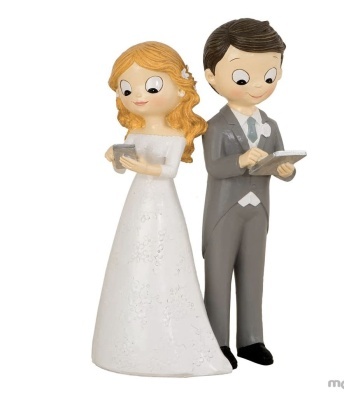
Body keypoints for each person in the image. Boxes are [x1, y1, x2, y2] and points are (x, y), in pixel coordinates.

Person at [92, 41, 232, 377]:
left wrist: (140, 166)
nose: (138, 95)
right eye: (127, 89)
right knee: (132, 257)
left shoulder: (174, 135)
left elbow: (168, 171)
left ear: (180, 89)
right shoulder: (134, 130)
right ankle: (125, 341)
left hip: (161, 201)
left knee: (166, 256)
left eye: (152, 86)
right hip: (137, 201)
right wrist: (116, 158)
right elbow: (123, 167)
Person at [202, 18, 296, 369]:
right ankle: (216, 340)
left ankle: (251, 338)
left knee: (253, 276)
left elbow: (281, 161)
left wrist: (285, 170)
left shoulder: (270, 125)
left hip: (258, 213)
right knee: (218, 276)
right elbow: (214, 167)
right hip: (224, 212)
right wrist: (240, 160)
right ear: (212, 76)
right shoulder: (215, 126)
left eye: (269, 76)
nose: (258, 86)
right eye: (242, 77)